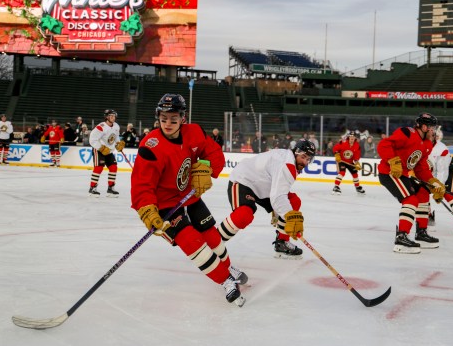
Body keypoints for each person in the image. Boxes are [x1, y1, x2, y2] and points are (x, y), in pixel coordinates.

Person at [131, 93, 246, 306]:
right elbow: (141, 184)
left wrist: (209, 167)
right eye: (163, 118)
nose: (168, 123)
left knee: (211, 235)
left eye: (173, 119)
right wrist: (147, 210)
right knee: (192, 241)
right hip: (164, 204)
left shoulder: (194, 132)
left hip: (188, 195)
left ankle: (228, 266)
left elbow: (213, 152)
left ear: (183, 118)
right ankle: (225, 280)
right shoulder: (151, 146)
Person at [218, 139, 314, 259]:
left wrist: (283, 211)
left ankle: (282, 243)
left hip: (264, 185)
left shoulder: (290, 159)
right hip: (244, 180)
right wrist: (290, 217)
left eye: (308, 159)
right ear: (296, 152)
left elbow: (278, 193)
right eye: (303, 157)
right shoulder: (287, 165)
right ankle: (213, 243)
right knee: (244, 215)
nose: (305, 161)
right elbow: (278, 197)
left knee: (294, 201)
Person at [377, 113, 445, 254]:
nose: (434, 132)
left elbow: (421, 168)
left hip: (403, 174)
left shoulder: (427, 144)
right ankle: (401, 237)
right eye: (432, 128)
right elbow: (384, 144)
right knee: (410, 199)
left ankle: (421, 232)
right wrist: (392, 160)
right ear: (424, 127)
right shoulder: (407, 133)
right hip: (390, 173)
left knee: (423, 192)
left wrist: (433, 183)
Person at [88, 109, 124, 197]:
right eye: (111, 116)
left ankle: (110, 188)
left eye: (114, 116)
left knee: (113, 167)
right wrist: (101, 147)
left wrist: (118, 144)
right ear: (106, 117)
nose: (113, 117)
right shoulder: (101, 127)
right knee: (99, 168)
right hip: (99, 150)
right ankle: (92, 188)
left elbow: (116, 137)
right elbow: (92, 140)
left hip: (109, 151)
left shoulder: (116, 126)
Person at [332, 131, 365, 195]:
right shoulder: (343, 143)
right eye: (350, 136)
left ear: (355, 138)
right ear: (348, 137)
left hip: (350, 162)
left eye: (353, 136)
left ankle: (357, 187)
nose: (352, 138)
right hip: (342, 161)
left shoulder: (357, 146)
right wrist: (336, 154)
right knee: (342, 172)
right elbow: (335, 148)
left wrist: (356, 163)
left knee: (355, 173)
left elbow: (356, 156)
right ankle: (336, 187)